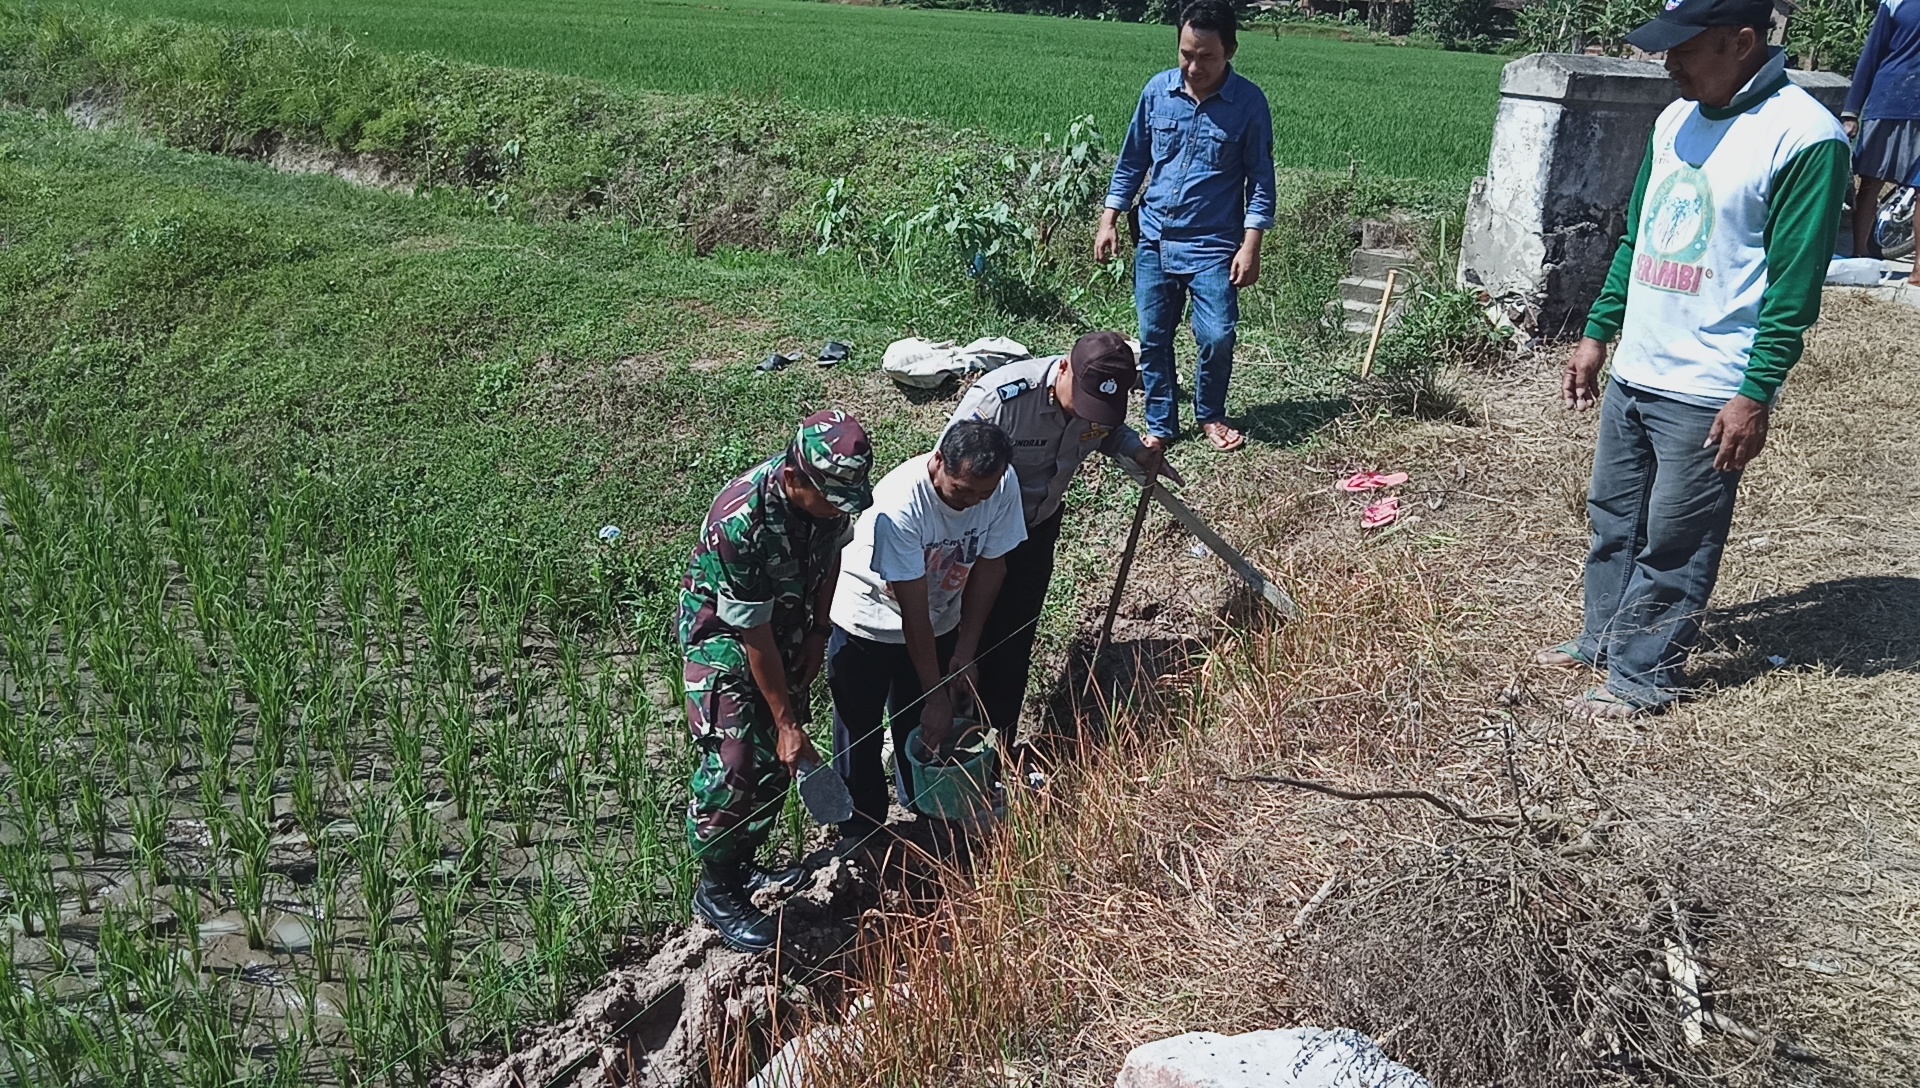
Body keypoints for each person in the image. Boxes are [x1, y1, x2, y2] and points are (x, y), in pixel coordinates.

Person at [1543, 0, 1849, 717]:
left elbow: (1794, 285)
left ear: (1741, 42)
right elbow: (1637, 237)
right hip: (1639, 368)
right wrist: (1598, 334)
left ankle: (1641, 677)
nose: (1667, 62)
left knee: (1677, 539)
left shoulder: (1805, 138)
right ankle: (1602, 638)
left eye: (1685, 49)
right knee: (1614, 519)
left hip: (1711, 385)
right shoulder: (1674, 118)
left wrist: (1755, 393)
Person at [678, 410, 876, 952]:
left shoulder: (832, 495)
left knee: (776, 767)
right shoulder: (740, 520)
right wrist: (786, 717)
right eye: (833, 500)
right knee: (739, 756)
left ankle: (741, 868)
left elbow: (832, 557)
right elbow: (751, 633)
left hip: (787, 624)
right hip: (722, 632)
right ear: (795, 479)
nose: (841, 509)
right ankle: (715, 890)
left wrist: (818, 631)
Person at [946, 330, 1183, 748]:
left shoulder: (1096, 403)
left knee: (1014, 638)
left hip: (1036, 531)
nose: (1089, 414)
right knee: (963, 638)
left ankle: (1000, 740)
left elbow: (1106, 432)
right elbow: (951, 472)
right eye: (1087, 400)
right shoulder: (1000, 401)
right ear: (1064, 368)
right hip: (977, 541)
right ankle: (949, 738)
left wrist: (1136, 449)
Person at [826, 421, 1026, 837]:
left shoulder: (1001, 485)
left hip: (939, 614)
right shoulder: (900, 505)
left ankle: (924, 814)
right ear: (938, 462)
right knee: (860, 730)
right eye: (961, 490)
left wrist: (965, 653)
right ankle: (860, 831)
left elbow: (993, 566)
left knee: (922, 727)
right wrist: (936, 692)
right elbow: (910, 611)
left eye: (982, 494)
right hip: (871, 619)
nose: (972, 502)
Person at [1096, 0, 1276, 454]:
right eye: (1186, 53)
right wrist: (1110, 218)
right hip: (1155, 237)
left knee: (1217, 335)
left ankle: (1211, 415)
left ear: (1231, 50)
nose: (1193, 66)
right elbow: (1132, 159)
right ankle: (1161, 422)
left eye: (1206, 57)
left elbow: (1261, 180)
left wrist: (1251, 244)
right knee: (1154, 337)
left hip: (1215, 244)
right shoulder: (1157, 91)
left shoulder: (1249, 104)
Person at [1842, 0, 1920, 281]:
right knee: (1871, 181)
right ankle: (1859, 252)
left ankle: (1918, 270)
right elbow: (1872, 53)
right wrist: (1851, 110)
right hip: (1889, 99)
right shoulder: (1895, 3)